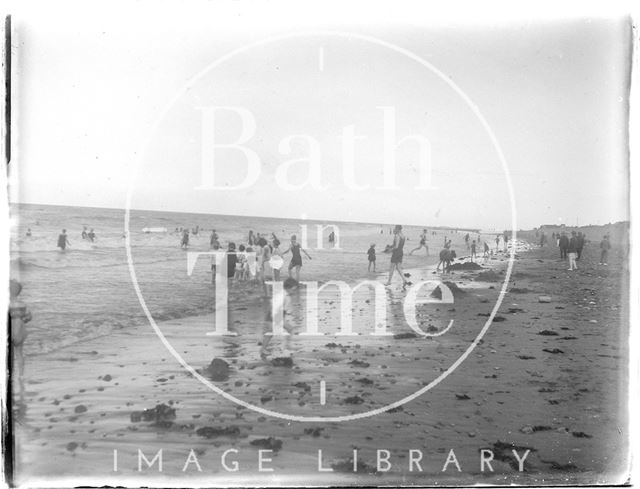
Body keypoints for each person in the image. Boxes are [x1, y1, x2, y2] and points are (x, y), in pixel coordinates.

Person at [260, 277, 298, 361]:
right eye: (294, 289)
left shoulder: (286, 295)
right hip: (275, 315)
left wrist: (289, 313)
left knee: (286, 329)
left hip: (278, 315)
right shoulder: (282, 295)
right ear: (288, 287)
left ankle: (286, 347)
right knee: (270, 333)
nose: (294, 291)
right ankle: (264, 349)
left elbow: (285, 307)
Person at [9, 279, 32, 403]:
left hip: (11, 331)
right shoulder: (22, 304)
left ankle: (9, 375)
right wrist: (22, 320)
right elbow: (29, 317)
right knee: (19, 353)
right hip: (21, 331)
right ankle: (21, 375)